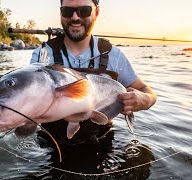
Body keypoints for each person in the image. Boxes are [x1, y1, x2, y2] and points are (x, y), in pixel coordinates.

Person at [31, 0, 156, 145]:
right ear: (61, 13)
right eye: (67, 11)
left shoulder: (114, 56)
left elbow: (146, 91)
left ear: (96, 13)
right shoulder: (42, 55)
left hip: (102, 140)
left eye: (84, 10)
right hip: (50, 143)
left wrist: (145, 100)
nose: (75, 17)